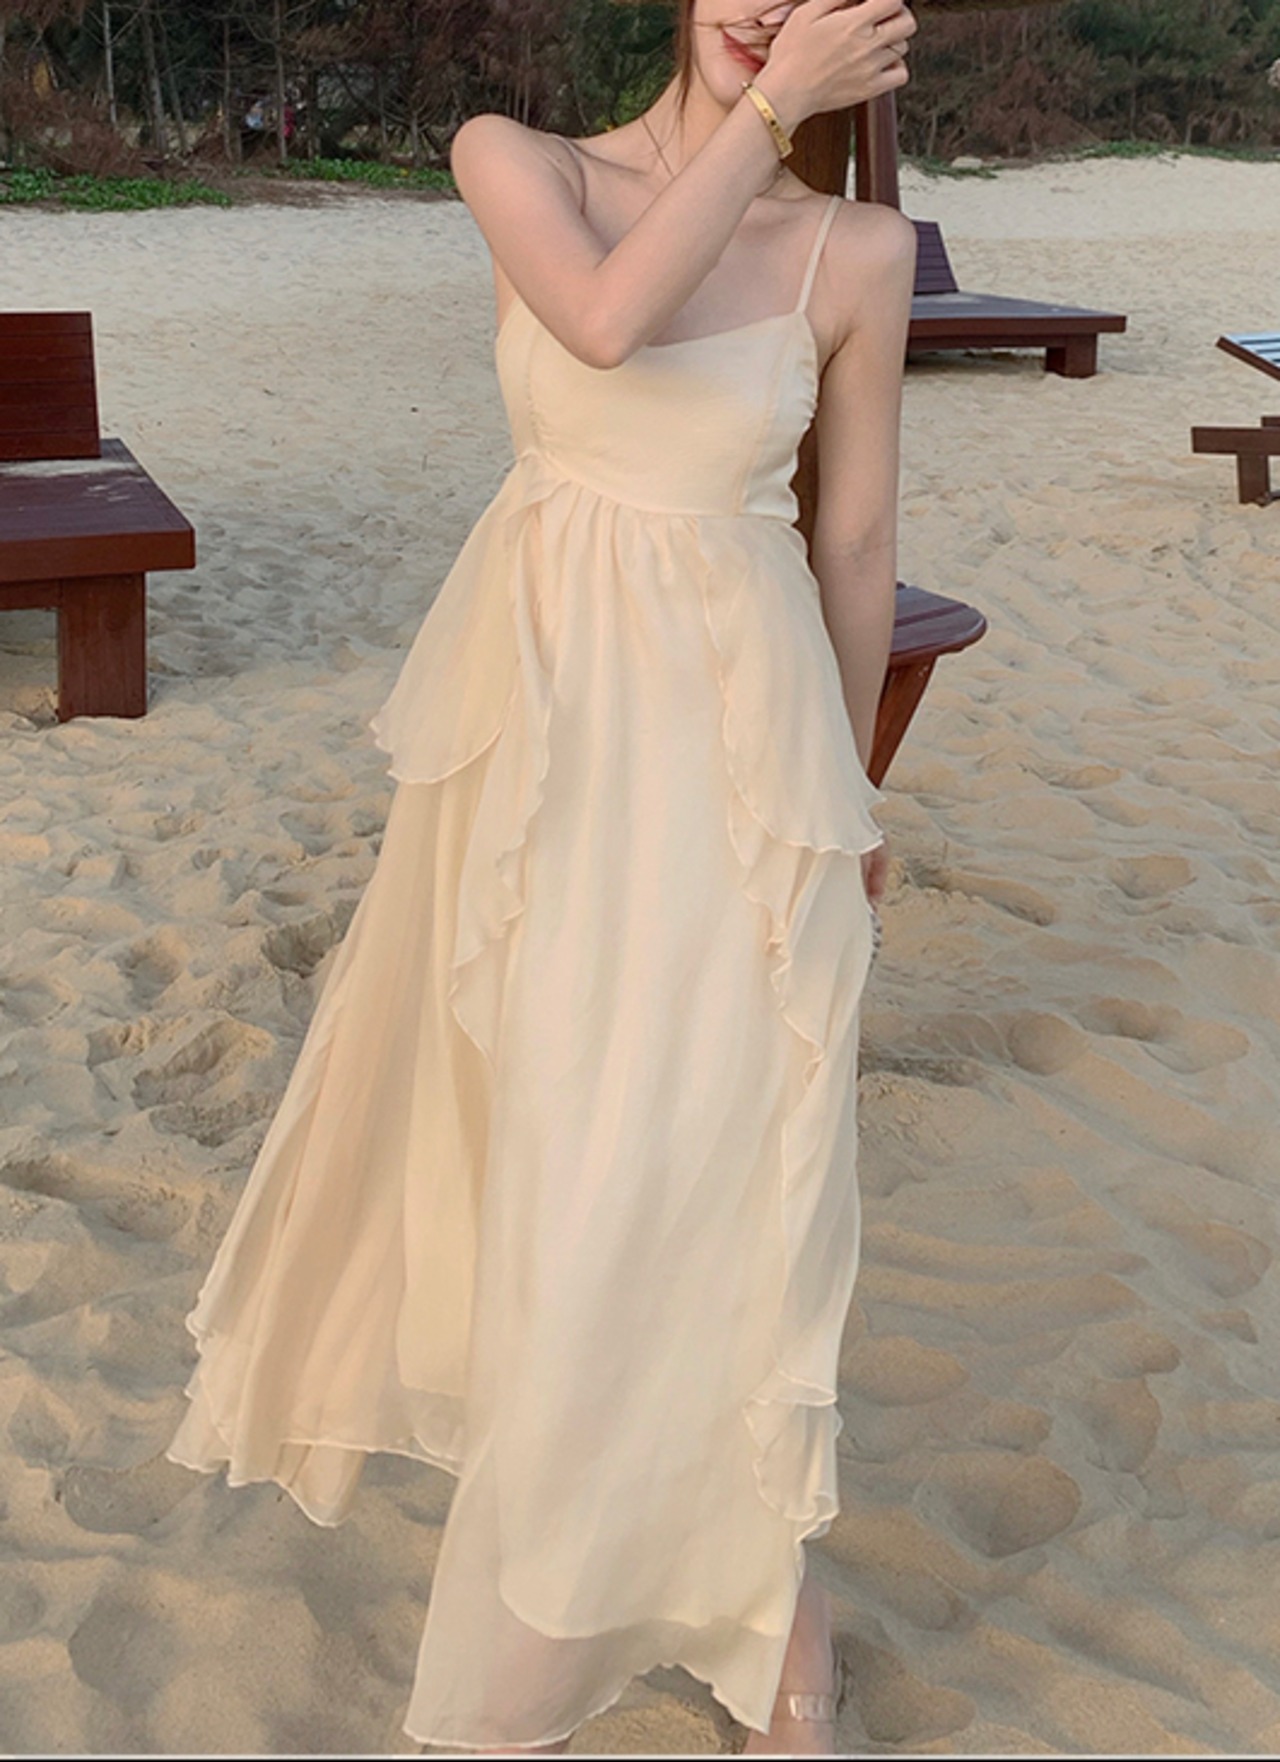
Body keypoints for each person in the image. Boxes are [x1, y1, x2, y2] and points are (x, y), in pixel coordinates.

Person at [164, 0, 918, 1753]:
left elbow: (857, 538)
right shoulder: (520, 164)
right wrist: (774, 116)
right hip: (548, 761)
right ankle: (639, 1614)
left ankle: (772, 1609)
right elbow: (603, 321)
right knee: (567, 1175)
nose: (763, 12)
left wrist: (852, 794)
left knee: (722, 1189)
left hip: (744, 766)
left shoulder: (861, 252)